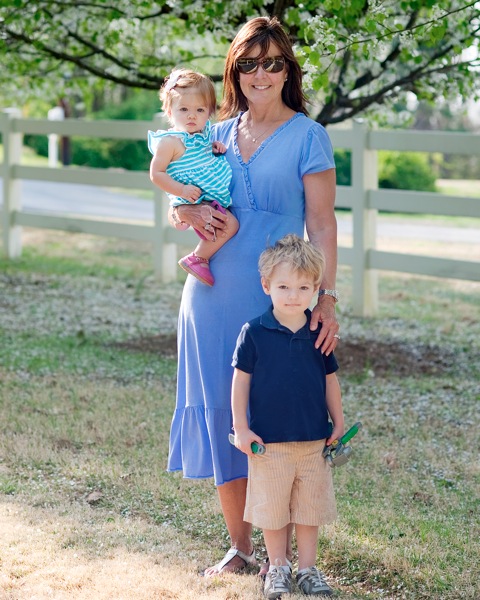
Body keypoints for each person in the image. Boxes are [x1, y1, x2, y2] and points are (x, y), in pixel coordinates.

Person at [165, 16, 340, 577]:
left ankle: (281, 557)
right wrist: (187, 210)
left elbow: (323, 223)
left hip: (278, 305)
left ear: (287, 70)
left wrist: (326, 298)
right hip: (210, 297)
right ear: (234, 71)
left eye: (272, 63)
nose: (259, 74)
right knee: (227, 418)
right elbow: (178, 201)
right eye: (248, 63)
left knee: (278, 425)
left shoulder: (308, 136)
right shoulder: (211, 131)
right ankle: (241, 548)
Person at [231, 234, 344, 598]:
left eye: (303, 288)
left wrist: (339, 421)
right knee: (273, 509)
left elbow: (330, 380)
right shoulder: (253, 332)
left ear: (315, 290)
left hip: (313, 440)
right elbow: (240, 383)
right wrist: (241, 427)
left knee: (309, 509)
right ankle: (278, 567)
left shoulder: (318, 332)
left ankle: (308, 570)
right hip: (269, 443)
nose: (293, 295)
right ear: (266, 286)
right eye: (283, 287)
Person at [148, 68, 239, 286]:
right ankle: (198, 258)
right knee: (231, 224)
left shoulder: (204, 135)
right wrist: (181, 191)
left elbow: (202, 156)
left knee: (221, 226)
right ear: (169, 111)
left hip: (205, 195)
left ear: (209, 112)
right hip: (192, 196)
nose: (192, 115)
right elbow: (156, 173)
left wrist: (214, 147)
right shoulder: (170, 142)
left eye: (200, 109)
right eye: (184, 109)